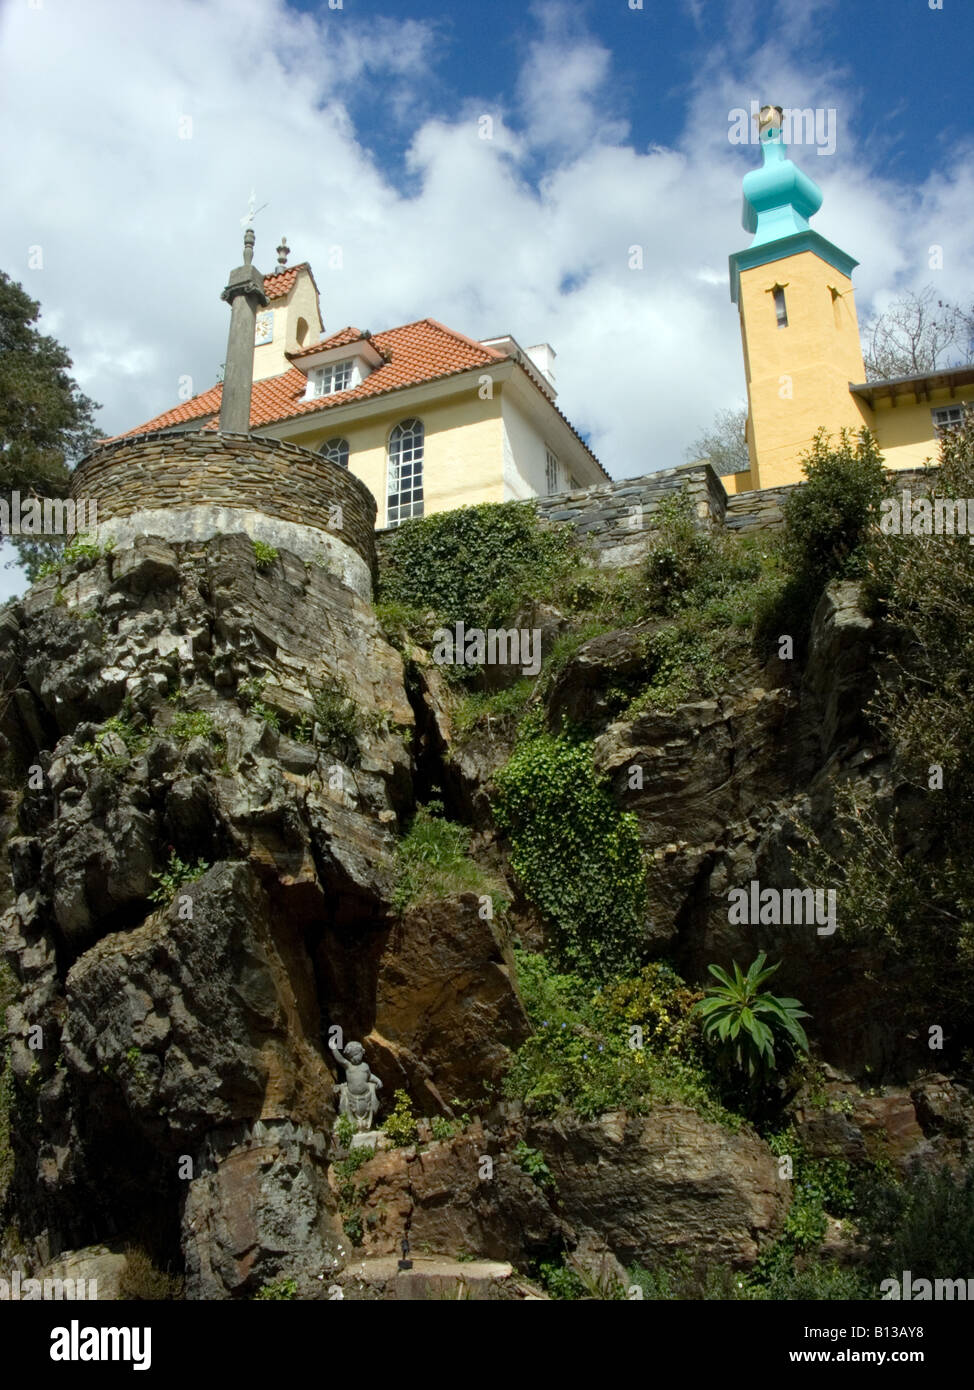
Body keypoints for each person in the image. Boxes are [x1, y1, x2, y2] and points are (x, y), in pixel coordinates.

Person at [329, 1038, 382, 1131]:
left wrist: (378, 1080)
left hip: (366, 1096)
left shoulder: (365, 1066)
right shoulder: (348, 1066)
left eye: (357, 1055)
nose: (354, 1058)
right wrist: (334, 1048)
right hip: (351, 1097)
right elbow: (340, 1059)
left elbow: (369, 1077)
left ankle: (367, 1125)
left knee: (373, 1104)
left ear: (362, 1053)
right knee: (344, 1109)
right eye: (351, 1056)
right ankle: (350, 1127)